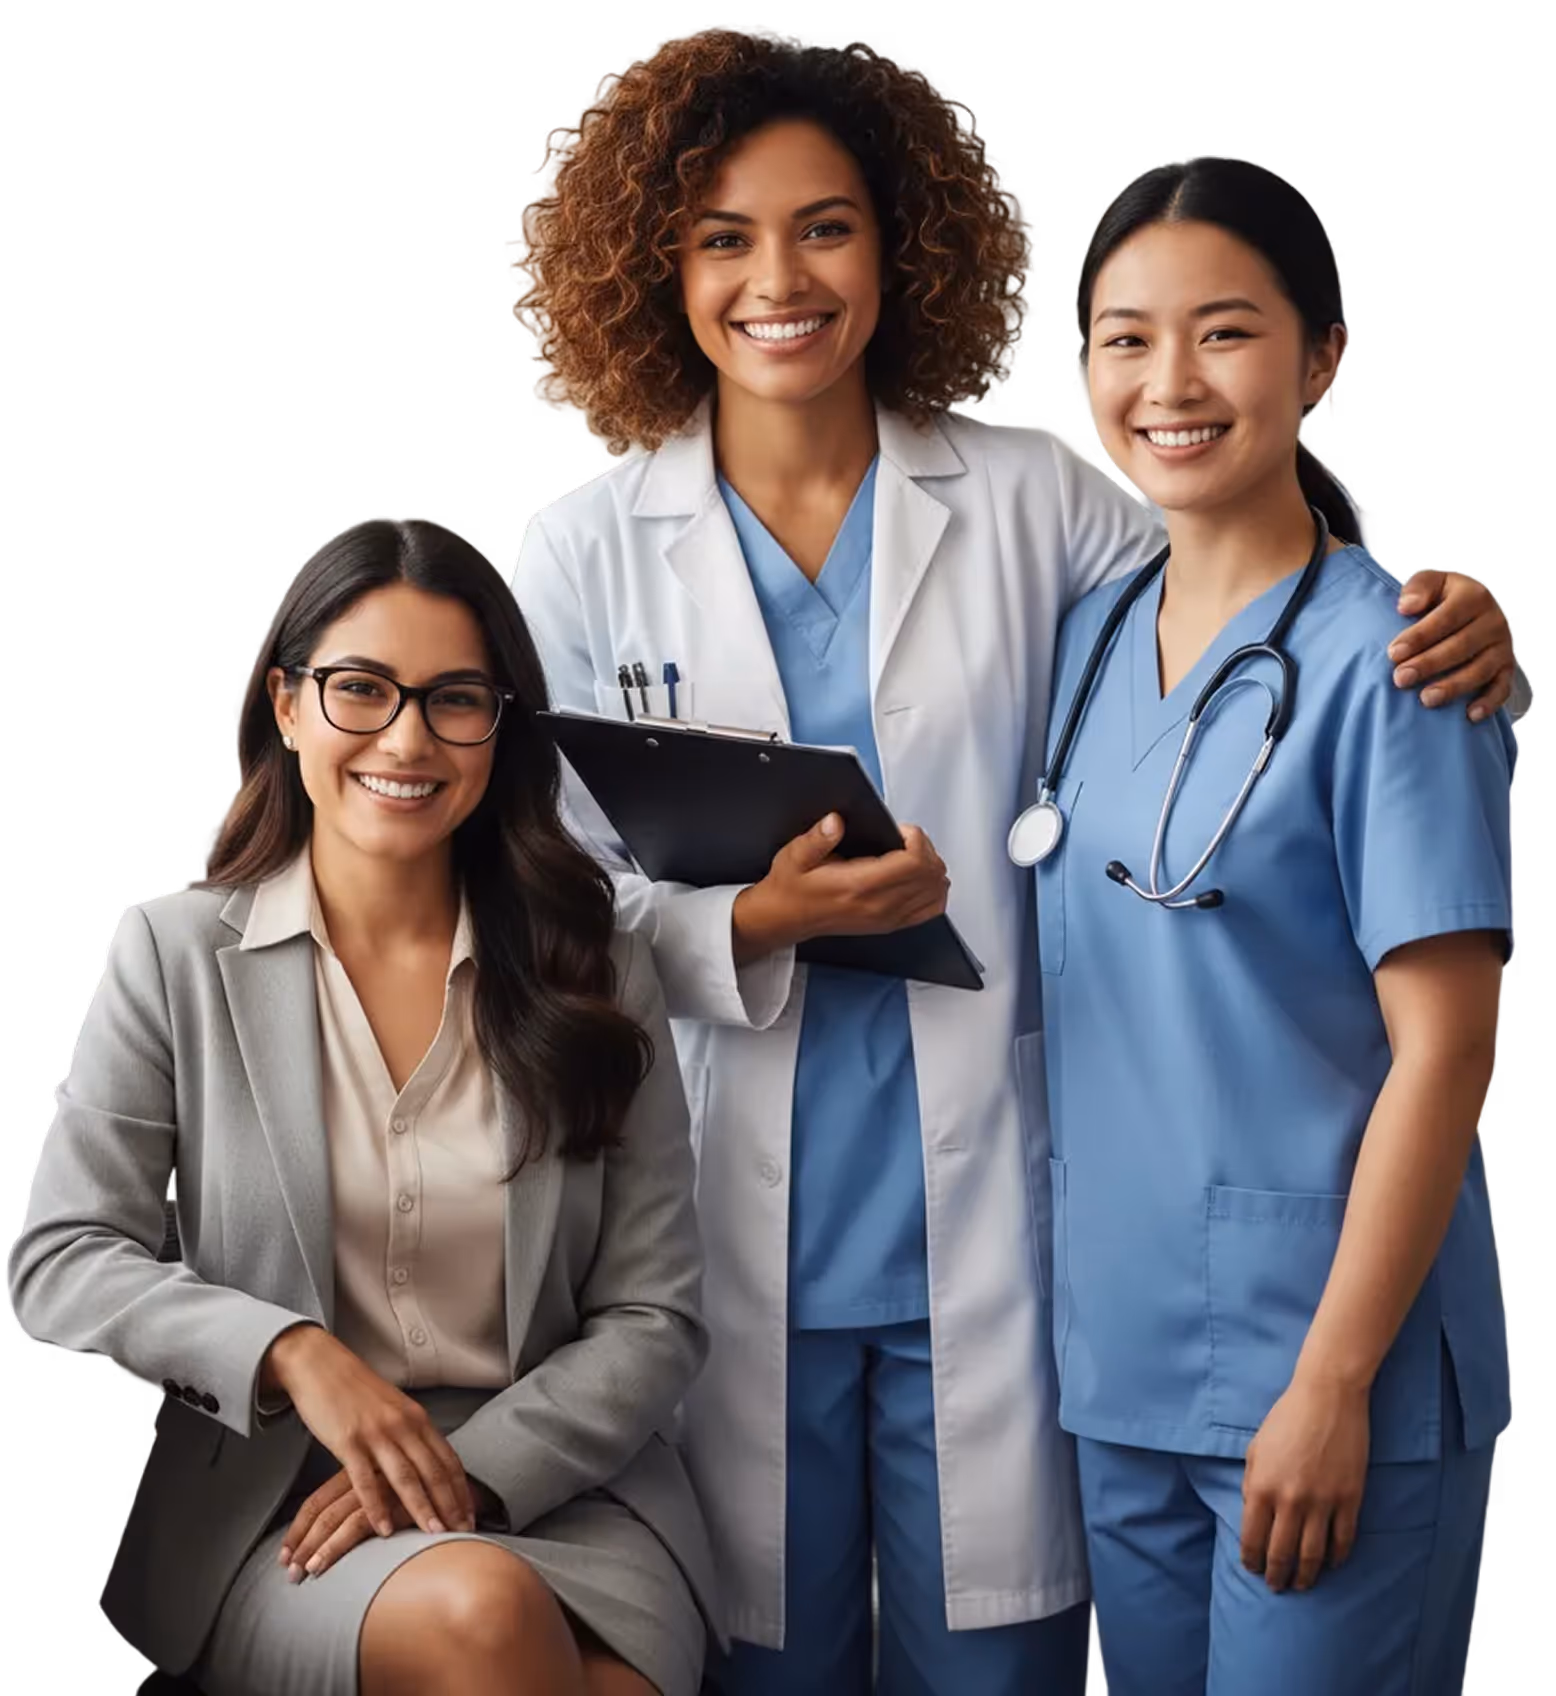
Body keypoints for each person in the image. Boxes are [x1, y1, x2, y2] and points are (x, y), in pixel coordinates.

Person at [506, 25, 1525, 1693]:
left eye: (827, 224)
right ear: (651, 266)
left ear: (902, 245)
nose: (781, 277)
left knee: (1008, 1665)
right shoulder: (585, 547)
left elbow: (1253, 581)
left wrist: (1466, 631)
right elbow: (532, 902)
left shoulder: (1036, 491)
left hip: (1019, 1231)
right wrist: (745, 921)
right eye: (723, 236)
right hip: (731, 1222)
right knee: (769, 1660)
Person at [8, 516, 718, 1696]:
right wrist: (289, 1353)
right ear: (286, 708)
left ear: (500, 728)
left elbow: (655, 1315)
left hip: (559, 1483)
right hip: (282, 1497)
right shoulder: (171, 950)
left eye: (454, 698)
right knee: (483, 1616)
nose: (407, 737)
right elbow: (63, 1256)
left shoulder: (595, 964)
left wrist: (473, 1467)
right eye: (360, 690)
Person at [1032, 156, 1515, 1695]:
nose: (1167, 381)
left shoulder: (1406, 666)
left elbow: (1448, 1052)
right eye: (1125, 337)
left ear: (1323, 364)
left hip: (1331, 1370)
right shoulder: (1092, 635)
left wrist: (1332, 1381)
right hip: (1123, 1366)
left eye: (1223, 333)